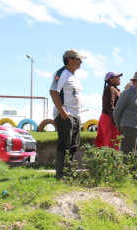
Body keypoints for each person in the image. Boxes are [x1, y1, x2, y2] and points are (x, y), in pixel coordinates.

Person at [49, 49, 86, 179]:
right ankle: (60, 173)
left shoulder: (74, 76)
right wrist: (62, 112)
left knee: (74, 144)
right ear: (69, 60)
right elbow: (53, 91)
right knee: (65, 143)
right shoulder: (62, 73)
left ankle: (69, 171)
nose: (81, 62)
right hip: (66, 114)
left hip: (76, 115)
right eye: (78, 59)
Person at [113, 71, 137, 155]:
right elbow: (117, 110)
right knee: (127, 153)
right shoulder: (127, 93)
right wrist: (119, 125)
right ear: (133, 82)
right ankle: (125, 168)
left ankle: (134, 168)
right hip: (128, 126)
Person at [95, 72, 122, 149]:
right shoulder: (110, 89)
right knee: (112, 144)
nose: (119, 78)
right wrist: (114, 120)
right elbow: (110, 105)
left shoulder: (114, 89)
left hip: (108, 118)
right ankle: (110, 161)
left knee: (111, 143)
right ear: (111, 79)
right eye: (117, 77)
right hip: (109, 119)